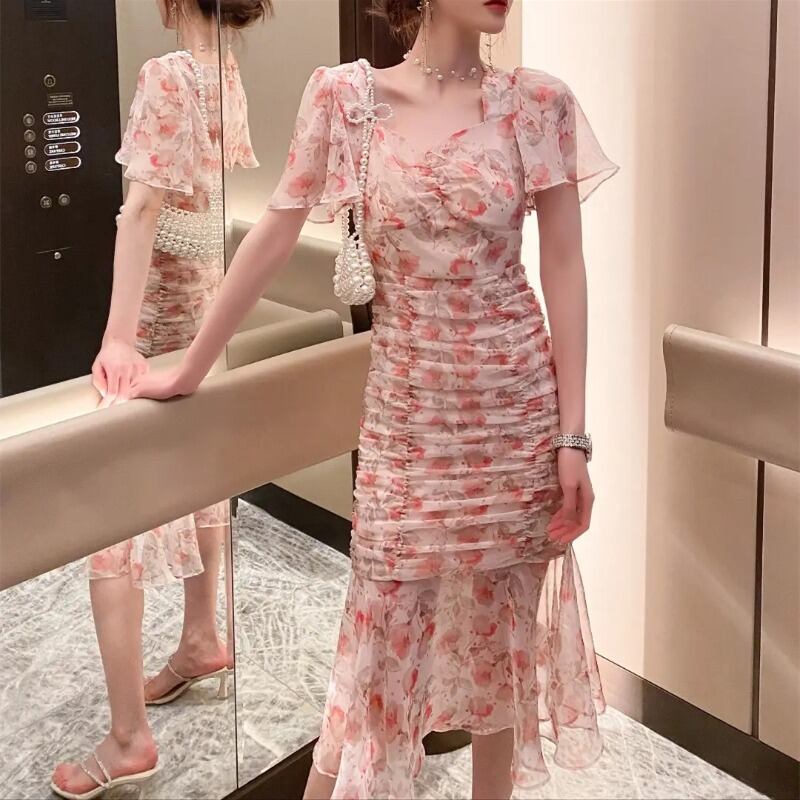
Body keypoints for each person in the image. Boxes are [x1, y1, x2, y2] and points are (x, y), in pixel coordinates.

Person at [128, 0, 620, 797]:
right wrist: (191, 365)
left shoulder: (539, 104)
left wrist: (574, 437)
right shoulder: (346, 98)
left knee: (500, 648)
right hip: (407, 416)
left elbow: (564, 266)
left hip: (515, 417)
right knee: (376, 647)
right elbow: (274, 232)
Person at [50, 1, 269, 798]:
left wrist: (117, 338)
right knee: (198, 476)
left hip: (157, 327)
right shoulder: (225, 74)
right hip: (200, 316)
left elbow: (144, 208)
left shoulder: (167, 73)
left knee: (113, 518)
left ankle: (128, 738)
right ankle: (203, 638)